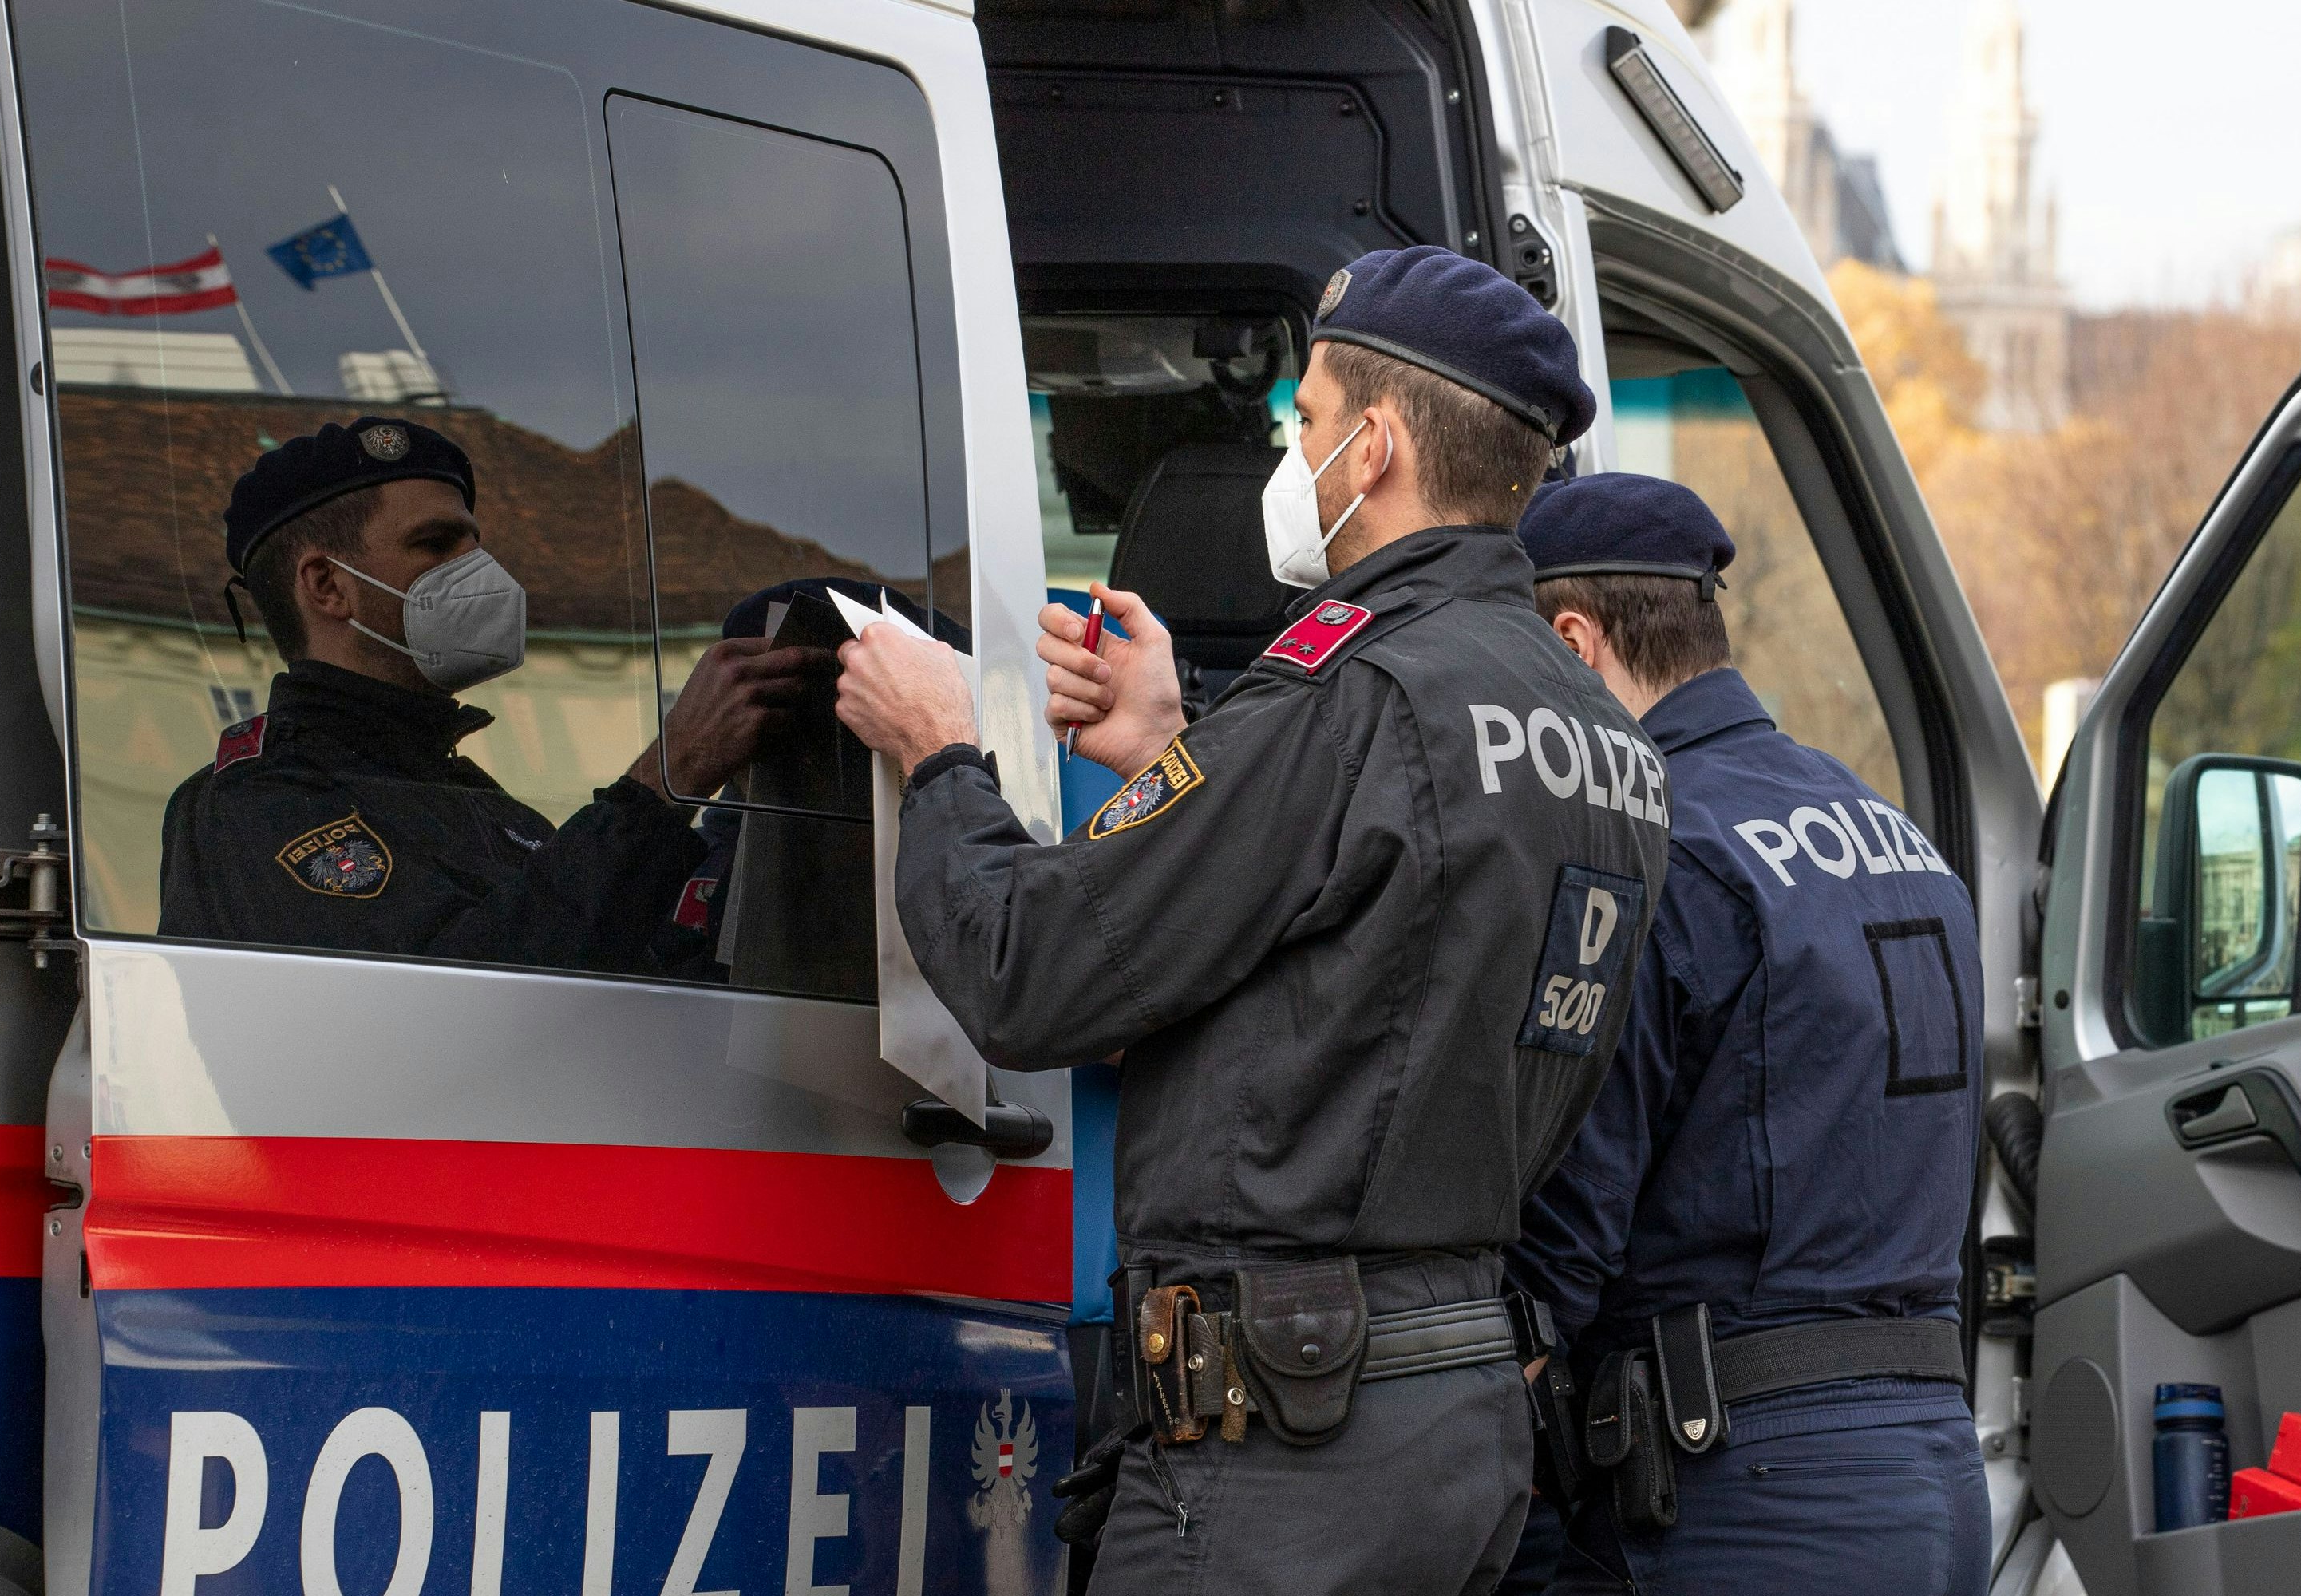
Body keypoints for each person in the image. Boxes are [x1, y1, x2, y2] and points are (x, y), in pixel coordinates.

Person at [832, 246, 1668, 1595]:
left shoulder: (1353, 694)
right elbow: (1366, 950)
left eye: (1309, 425)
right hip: (1450, 1426)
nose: (1298, 454)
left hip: (1286, 1443)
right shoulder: (1595, 733)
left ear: (1377, 447)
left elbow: (1029, 972)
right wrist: (1176, 743)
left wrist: (939, 758)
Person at [1500, 474, 1988, 1594]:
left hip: (1746, 1505)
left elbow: (1567, 1235)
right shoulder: (1894, 833)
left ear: (1575, 648)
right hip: (1930, 1477)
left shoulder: (1648, 848)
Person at [158, 416, 816, 974]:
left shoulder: (478, 803)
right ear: (329, 587)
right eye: (436, 544)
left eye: (476, 543)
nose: (483, 571)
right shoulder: (257, 805)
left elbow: (631, 980)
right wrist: (670, 776)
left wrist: (752, 818)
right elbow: (466, 1000)